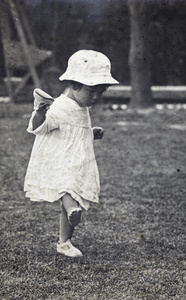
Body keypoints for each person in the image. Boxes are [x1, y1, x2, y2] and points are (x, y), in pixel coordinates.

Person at [24, 50, 119, 257]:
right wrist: (40, 112)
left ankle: (64, 241)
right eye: (92, 91)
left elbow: (74, 130)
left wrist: (90, 133)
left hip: (78, 158)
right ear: (74, 85)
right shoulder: (59, 106)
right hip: (61, 158)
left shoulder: (81, 106)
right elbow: (39, 128)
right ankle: (71, 211)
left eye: (101, 92)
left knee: (76, 193)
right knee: (68, 189)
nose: (96, 97)